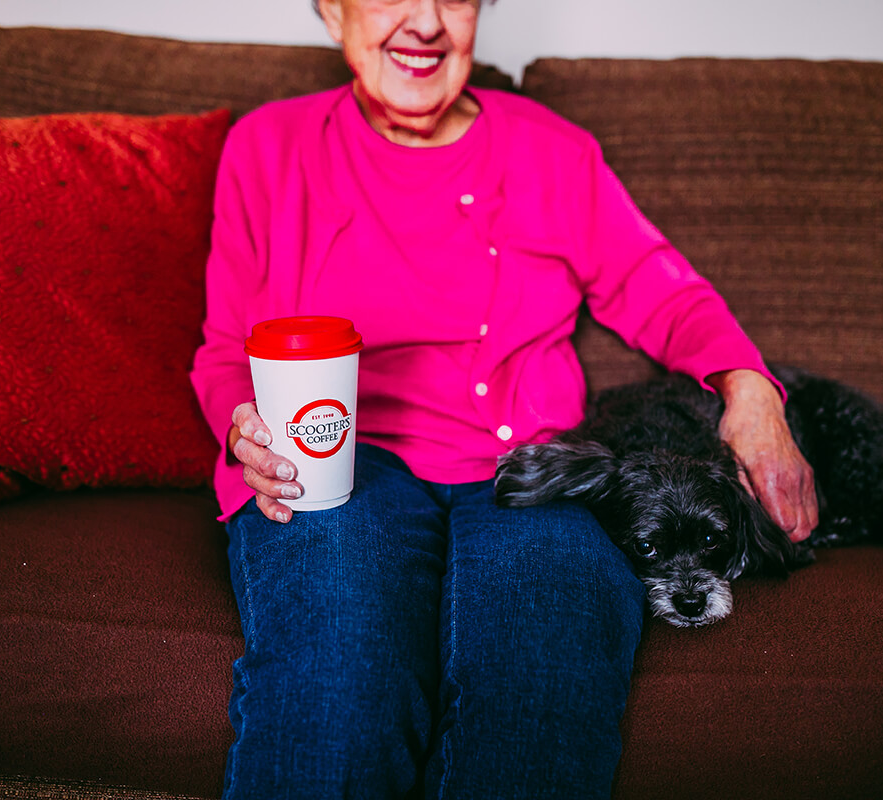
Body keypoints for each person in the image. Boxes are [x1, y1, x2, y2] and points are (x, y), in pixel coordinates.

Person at [190, 1, 818, 797]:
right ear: (330, 11)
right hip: (331, 457)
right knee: (340, 677)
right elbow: (223, 351)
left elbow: (660, 291)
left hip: (530, 473)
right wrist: (243, 426)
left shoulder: (552, 149)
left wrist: (750, 387)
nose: (423, 22)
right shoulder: (269, 146)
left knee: (543, 680)